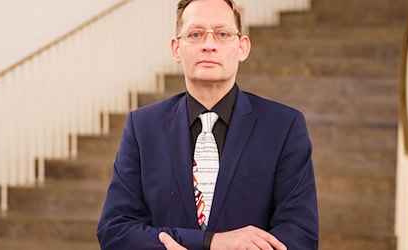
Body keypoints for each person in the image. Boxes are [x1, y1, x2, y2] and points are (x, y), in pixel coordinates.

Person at [96, 0, 319, 249]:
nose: (209, 45)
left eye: (222, 34)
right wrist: (210, 242)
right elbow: (115, 231)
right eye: (195, 34)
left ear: (242, 47)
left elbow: (300, 236)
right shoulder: (142, 127)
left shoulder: (283, 126)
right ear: (176, 48)